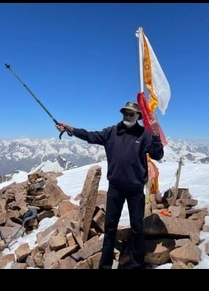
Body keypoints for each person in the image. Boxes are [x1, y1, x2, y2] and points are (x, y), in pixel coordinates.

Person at [56, 101, 165, 269]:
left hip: (135, 189)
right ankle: (105, 265)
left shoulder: (143, 134)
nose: (127, 116)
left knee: (137, 227)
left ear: (138, 116)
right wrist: (70, 128)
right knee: (110, 228)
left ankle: (137, 264)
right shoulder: (111, 132)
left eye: (131, 114)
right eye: (125, 113)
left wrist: (156, 133)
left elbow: (157, 155)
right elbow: (89, 136)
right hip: (115, 188)